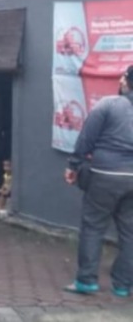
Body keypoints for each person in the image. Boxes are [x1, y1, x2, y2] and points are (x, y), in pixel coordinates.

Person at [62, 65, 133, 298]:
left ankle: (87, 280)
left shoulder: (109, 104)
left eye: (123, 77)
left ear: (127, 82)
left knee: (93, 226)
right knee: (130, 232)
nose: (120, 80)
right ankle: (123, 285)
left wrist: (73, 165)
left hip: (105, 175)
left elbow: (86, 139)